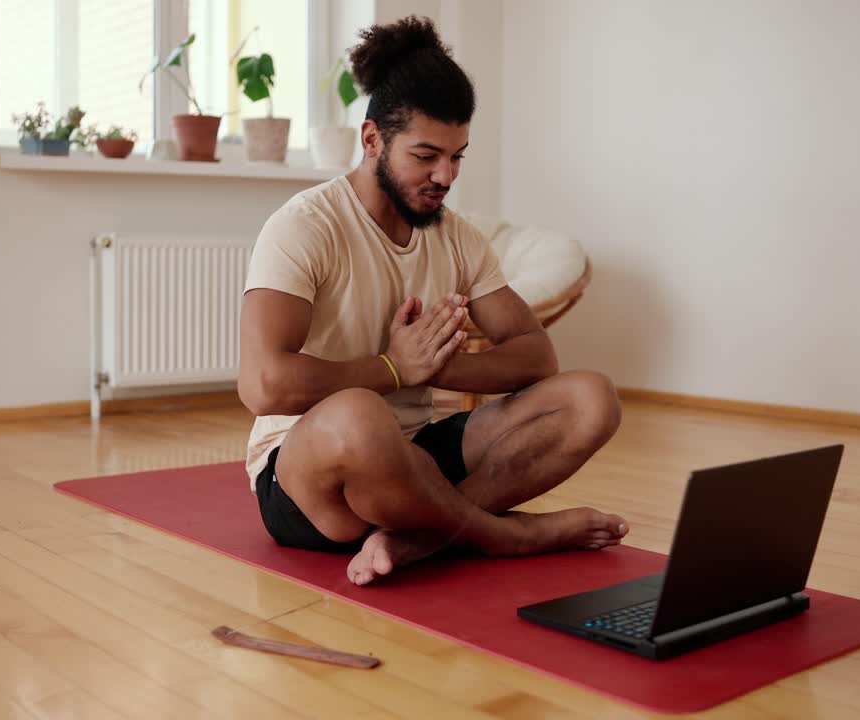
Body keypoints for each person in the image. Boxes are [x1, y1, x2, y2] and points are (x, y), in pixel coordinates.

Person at [239, 16, 626, 586]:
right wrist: (395, 369)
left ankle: (416, 538)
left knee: (592, 397)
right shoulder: (304, 226)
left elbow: (536, 357)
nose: (445, 175)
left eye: (457, 156)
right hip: (310, 474)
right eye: (425, 155)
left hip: (416, 453)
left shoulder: (457, 237)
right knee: (360, 413)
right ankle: (508, 536)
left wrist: (441, 366)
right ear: (372, 139)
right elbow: (263, 385)